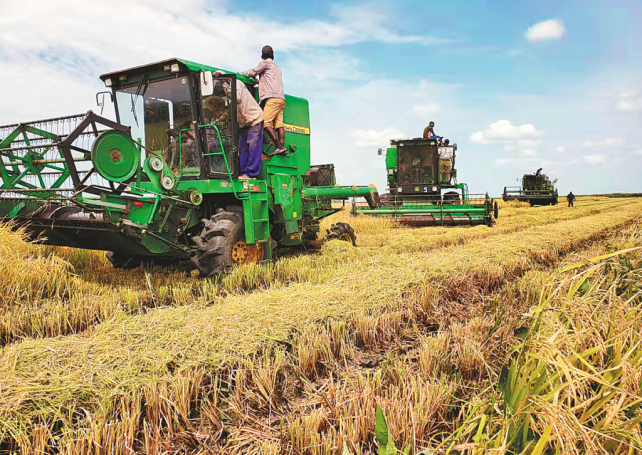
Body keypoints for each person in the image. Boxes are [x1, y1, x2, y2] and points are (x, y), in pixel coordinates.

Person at [214, 72, 265, 179]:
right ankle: (243, 172)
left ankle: (251, 173)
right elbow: (228, 113)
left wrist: (223, 81)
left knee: (252, 147)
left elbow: (236, 97)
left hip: (254, 119)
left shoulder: (237, 83)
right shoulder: (230, 96)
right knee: (242, 149)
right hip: (243, 123)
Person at [242, 45, 286, 154]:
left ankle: (278, 146)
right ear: (273, 55)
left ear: (263, 55)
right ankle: (282, 148)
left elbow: (252, 71)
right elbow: (267, 80)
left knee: (266, 123)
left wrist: (241, 74)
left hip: (272, 99)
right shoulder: (276, 67)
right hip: (281, 99)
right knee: (279, 125)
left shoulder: (265, 63)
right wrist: (258, 80)